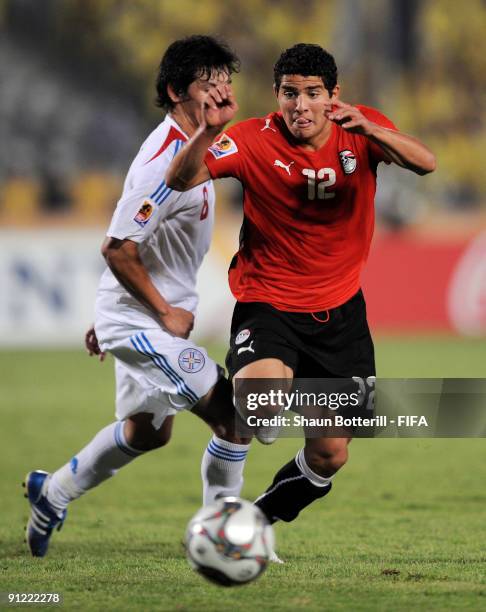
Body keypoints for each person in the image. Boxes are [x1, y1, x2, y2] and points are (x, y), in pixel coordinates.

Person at [166, 43, 436, 527]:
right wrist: (209, 130)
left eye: (313, 94)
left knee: (331, 454)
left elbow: (426, 163)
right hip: (268, 305)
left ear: (334, 96)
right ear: (276, 95)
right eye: (290, 94)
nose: (301, 106)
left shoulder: (362, 129)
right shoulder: (250, 139)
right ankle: (206, 384)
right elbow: (180, 179)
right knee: (259, 413)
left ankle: (252, 525)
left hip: (342, 315)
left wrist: (373, 131)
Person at [24, 35, 252, 558]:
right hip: (144, 322)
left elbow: (135, 253)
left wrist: (112, 314)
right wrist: (158, 311)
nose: (220, 93)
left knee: (148, 433)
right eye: (206, 83)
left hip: (132, 314)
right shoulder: (163, 162)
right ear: (176, 91)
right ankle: (222, 541)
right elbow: (117, 248)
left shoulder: (200, 145)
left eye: (225, 82)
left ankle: (51, 491)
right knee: (233, 419)